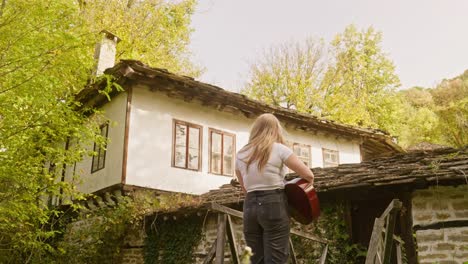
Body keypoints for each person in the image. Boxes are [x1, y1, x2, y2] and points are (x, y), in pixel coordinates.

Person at [235, 113, 315, 264]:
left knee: (255, 260)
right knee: (276, 260)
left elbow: (246, 189)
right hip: (274, 204)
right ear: (275, 130)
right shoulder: (279, 149)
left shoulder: (241, 155)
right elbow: (309, 176)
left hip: (250, 207)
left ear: (255, 130)